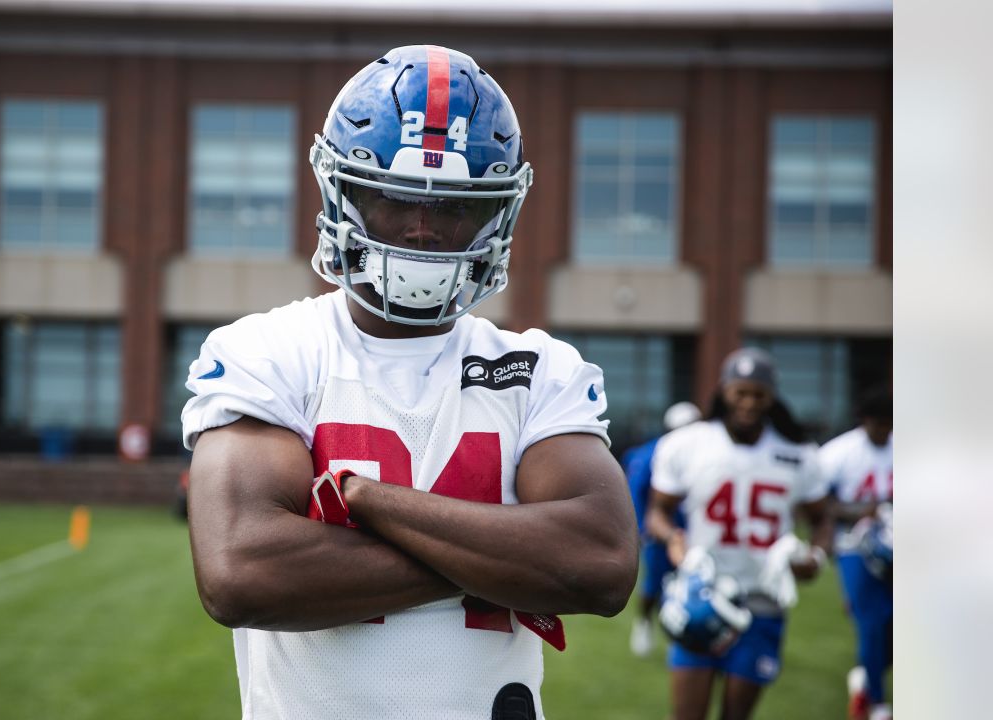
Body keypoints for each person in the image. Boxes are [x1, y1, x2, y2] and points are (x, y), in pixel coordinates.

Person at [180, 45, 638, 720]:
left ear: (497, 214)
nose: (421, 228)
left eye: (453, 207)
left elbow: (599, 564)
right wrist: (504, 561)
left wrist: (370, 502)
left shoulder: (540, 369)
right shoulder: (268, 352)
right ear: (342, 193)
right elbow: (242, 574)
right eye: (394, 198)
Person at [646, 348, 833, 720]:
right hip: (702, 592)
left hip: (761, 599)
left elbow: (822, 518)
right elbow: (658, 512)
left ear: (772, 397)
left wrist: (816, 556)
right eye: (740, 392)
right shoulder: (688, 443)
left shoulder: (797, 453)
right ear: (723, 391)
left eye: (758, 394)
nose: (748, 402)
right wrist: (673, 539)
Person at [818, 389, 893, 720]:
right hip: (854, 547)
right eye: (879, 423)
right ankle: (876, 702)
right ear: (865, 421)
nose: (885, 430)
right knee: (871, 622)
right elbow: (820, 505)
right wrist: (865, 510)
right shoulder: (839, 452)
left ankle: (866, 675)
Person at [625, 400, 702, 657]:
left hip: (695, 531)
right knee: (653, 584)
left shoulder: (709, 451)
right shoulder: (653, 453)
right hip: (661, 530)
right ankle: (644, 622)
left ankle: (679, 630)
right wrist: (639, 528)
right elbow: (636, 492)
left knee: (691, 582)